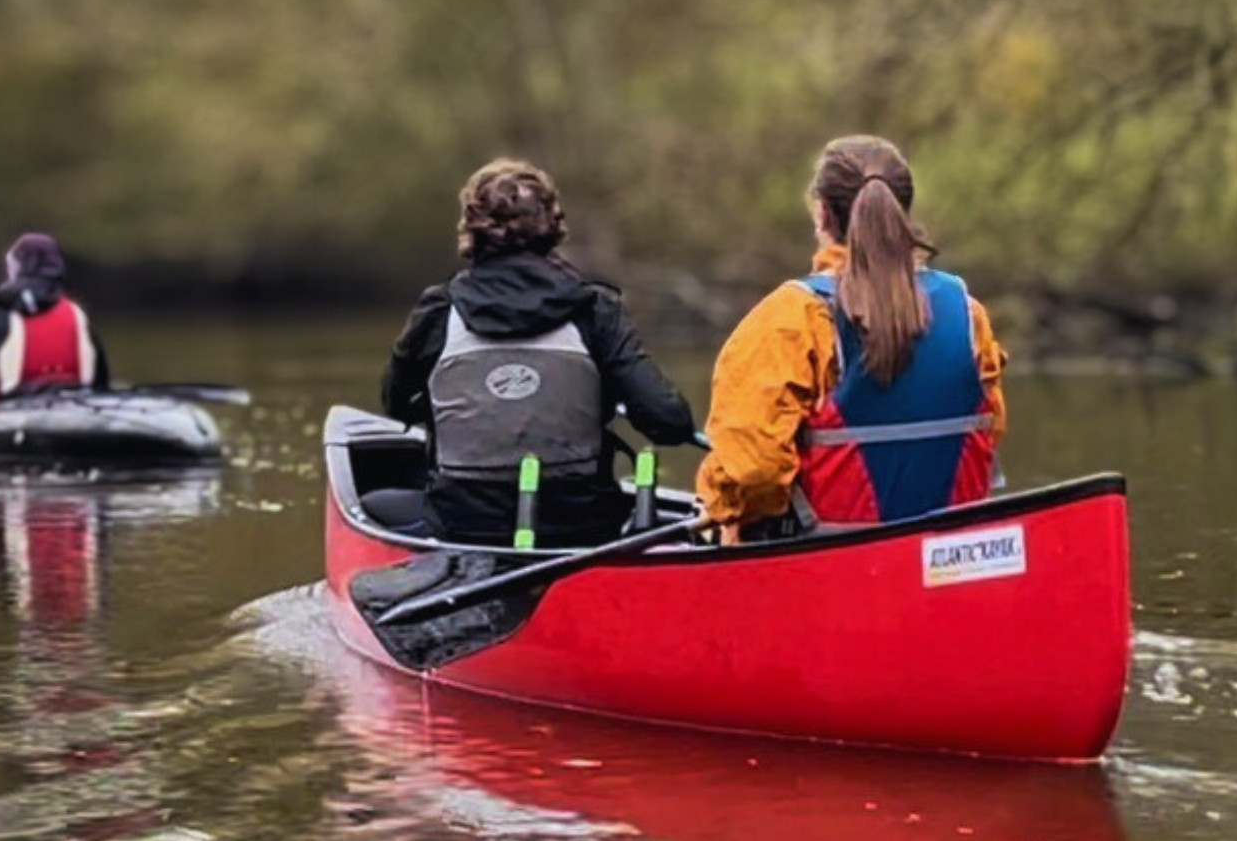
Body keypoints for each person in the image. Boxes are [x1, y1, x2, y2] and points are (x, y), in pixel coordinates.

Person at [695, 136, 1005, 541]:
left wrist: (722, 510)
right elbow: (990, 431)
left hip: (825, 560)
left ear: (822, 214)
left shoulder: (792, 319)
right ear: (902, 212)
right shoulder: (968, 313)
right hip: (948, 557)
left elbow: (753, 467)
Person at [377, 159, 697, 544]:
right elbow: (668, 420)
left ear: (471, 229)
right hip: (581, 527)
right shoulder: (594, 310)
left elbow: (395, 403)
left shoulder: (438, 310)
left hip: (464, 523)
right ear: (553, 226)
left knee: (379, 502)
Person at [0, 232, 110, 400]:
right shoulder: (78, 316)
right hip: (78, 412)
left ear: (19, 269)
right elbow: (101, 381)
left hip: (12, 415)